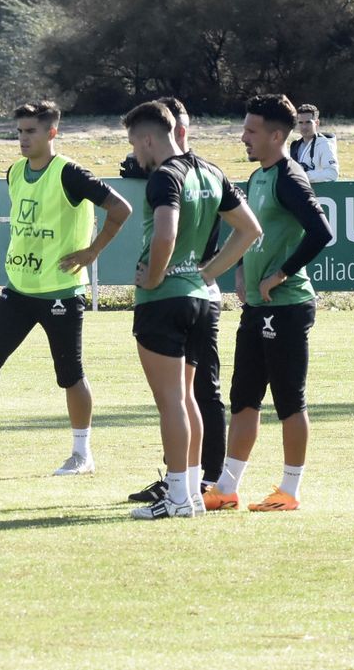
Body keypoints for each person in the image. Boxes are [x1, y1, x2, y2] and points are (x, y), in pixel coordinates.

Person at [0, 100, 131, 476]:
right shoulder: (14, 172)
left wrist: (93, 251)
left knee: (70, 374)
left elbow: (120, 208)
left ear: (52, 133)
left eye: (31, 131)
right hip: (18, 290)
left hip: (60, 292)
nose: (23, 138)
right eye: (20, 131)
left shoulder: (70, 173)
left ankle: (81, 454)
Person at [123, 101, 261, 520]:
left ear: (149, 137)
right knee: (187, 399)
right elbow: (250, 229)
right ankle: (194, 492)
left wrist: (154, 276)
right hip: (204, 300)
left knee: (171, 403)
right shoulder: (211, 170)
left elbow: (166, 232)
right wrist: (207, 272)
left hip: (164, 301)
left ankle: (178, 496)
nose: (134, 154)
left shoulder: (165, 176)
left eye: (134, 143)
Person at [206, 94, 334, 513]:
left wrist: (281, 274)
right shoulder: (259, 176)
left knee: (289, 401)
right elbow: (251, 232)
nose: (243, 137)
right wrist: (243, 269)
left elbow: (321, 232)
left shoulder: (289, 177)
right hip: (258, 310)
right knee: (243, 398)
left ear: (276, 135)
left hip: (288, 307)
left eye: (251, 130)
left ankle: (290, 491)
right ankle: (226, 488)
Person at [292, 103, 339, 182]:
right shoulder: (295, 146)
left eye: (308, 122)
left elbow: (332, 173)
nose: (304, 127)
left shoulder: (325, 144)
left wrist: (303, 176)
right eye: (300, 123)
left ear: (317, 123)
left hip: (320, 193)